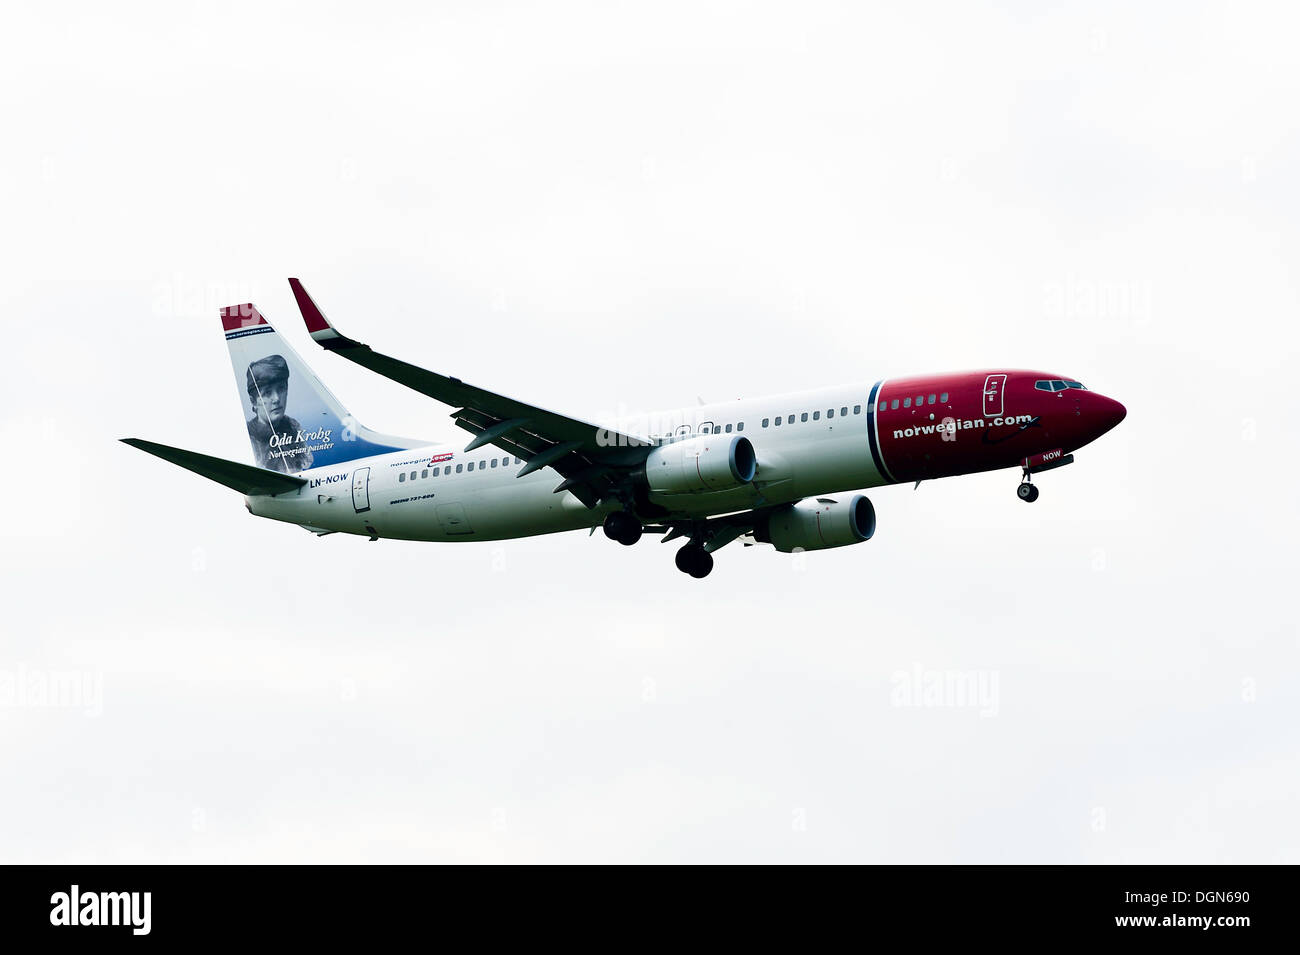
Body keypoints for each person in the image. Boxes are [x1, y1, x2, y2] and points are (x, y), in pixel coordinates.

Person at [245, 355, 314, 472]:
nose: (276, 398)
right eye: (267, 393)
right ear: (253, 401)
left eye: (281, 388)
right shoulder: (249, 436)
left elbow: (305, 463)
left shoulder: (292, 425)